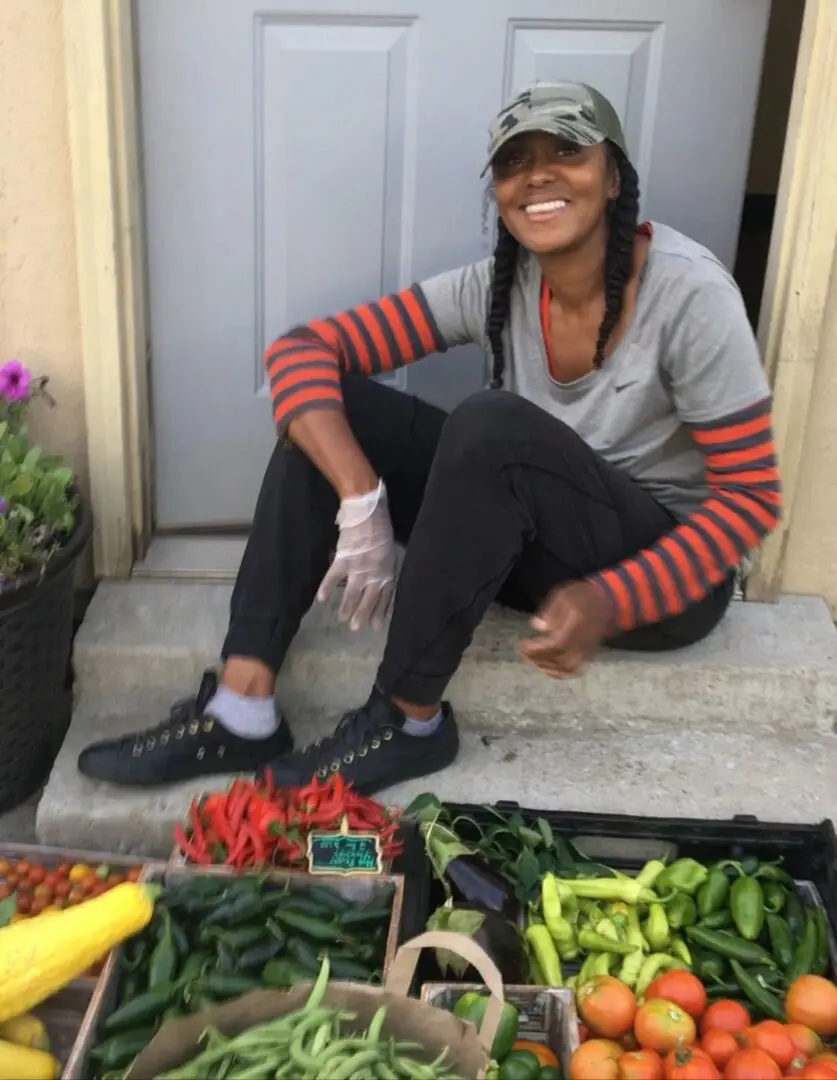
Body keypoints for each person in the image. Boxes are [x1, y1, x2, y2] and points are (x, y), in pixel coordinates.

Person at [77, 81, 781, 794]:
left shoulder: (689, 295)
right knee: (330, 410)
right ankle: (241, 705)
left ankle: (407, 720)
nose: (537, 175)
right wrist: (360, 496)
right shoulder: (502, 285)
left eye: (566, 151)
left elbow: (749, 502)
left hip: (660, 578)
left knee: (488, 423)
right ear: (499, 194)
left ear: (611, 178)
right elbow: (302, 352)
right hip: (539, 553)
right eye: (514, 163)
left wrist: (610, 598)